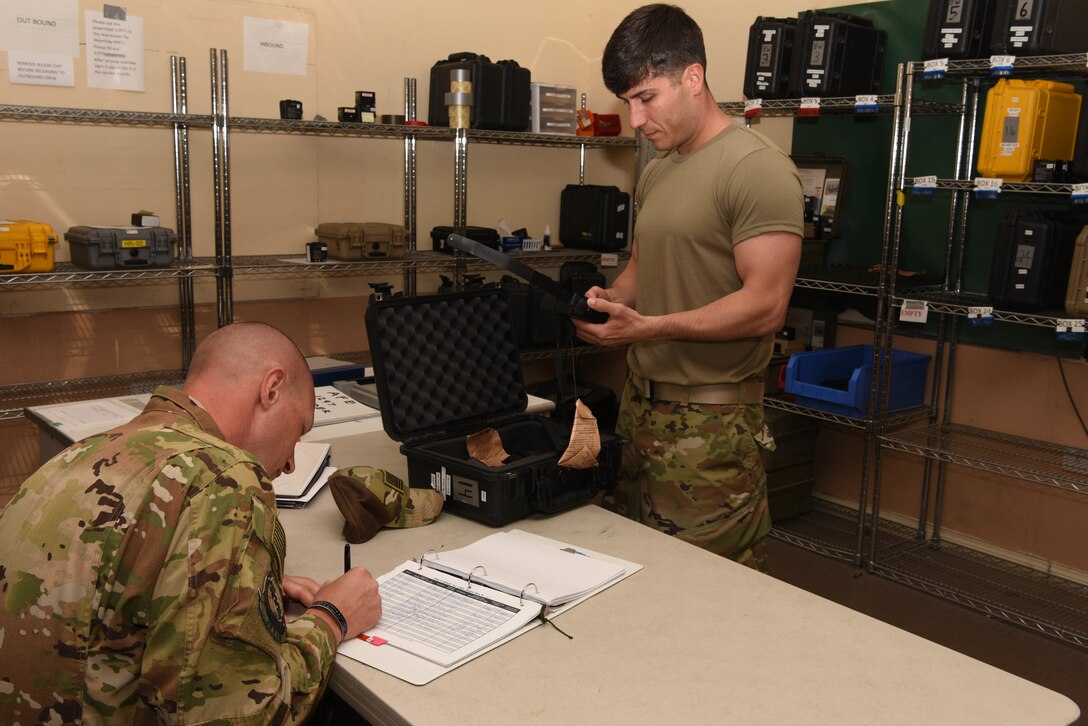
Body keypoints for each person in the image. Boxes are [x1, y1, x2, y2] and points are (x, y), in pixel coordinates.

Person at [0, 322, 382, 724]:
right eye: (299, 428)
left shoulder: (79, 455)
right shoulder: (222, 479)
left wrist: (234, 581)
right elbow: (239, 715)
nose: (290, 462)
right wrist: (332, 617)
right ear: (270, 389)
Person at [573, 4, 804, 570]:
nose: (635, 119)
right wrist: (610, 303)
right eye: (628, 102)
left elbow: (766, 305)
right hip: (638, 414)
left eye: (645, 98)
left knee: (708, 595)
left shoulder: (757, 168)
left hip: (713, 430)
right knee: (629, 578)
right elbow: (642, 269)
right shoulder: (659, 168)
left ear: (693, 78)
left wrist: (650, 327)